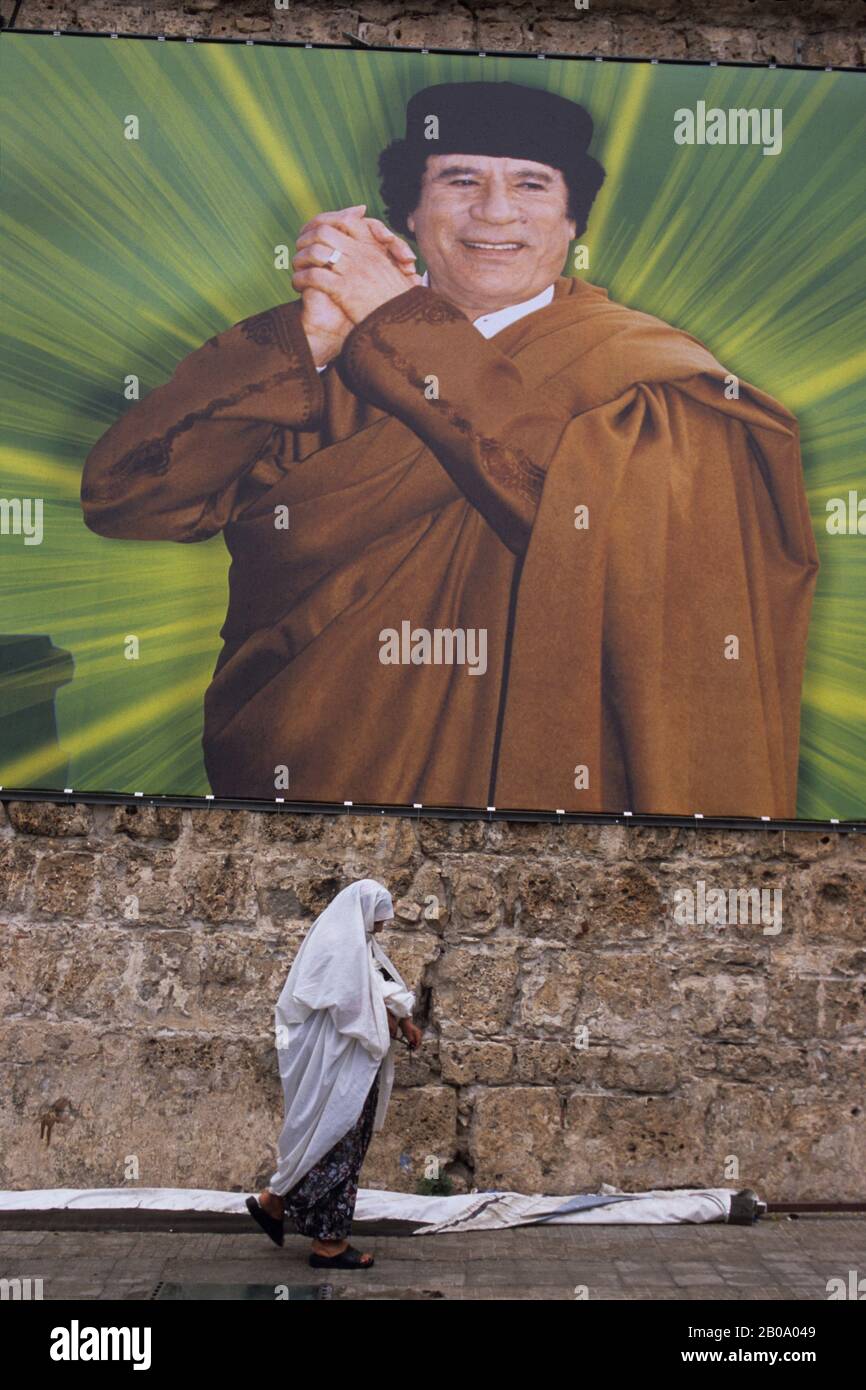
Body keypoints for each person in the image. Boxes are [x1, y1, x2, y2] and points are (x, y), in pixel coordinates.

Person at [80, 80, 818, 818]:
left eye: (531, 184)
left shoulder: (644, 376)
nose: (496, 211)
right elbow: (129, 499)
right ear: (408, 209)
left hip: (549, 780)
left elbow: (632, 559)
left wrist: (400, 327)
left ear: (571, 220)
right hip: (317, 774)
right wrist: (309, 342)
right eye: (460, 179)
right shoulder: (320, 349)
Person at [246, 878, 422, 1269]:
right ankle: (328, 1245)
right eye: (380, 918)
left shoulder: (360, 946)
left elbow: (380, 987)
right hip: (336, 1068)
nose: (383, 926)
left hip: (352, 1066)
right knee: (336, 1143)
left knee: (334, 1139)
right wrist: (385, 1023)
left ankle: (274, 1202)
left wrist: (402, 1019)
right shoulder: (335, 948)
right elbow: (347, 1003)